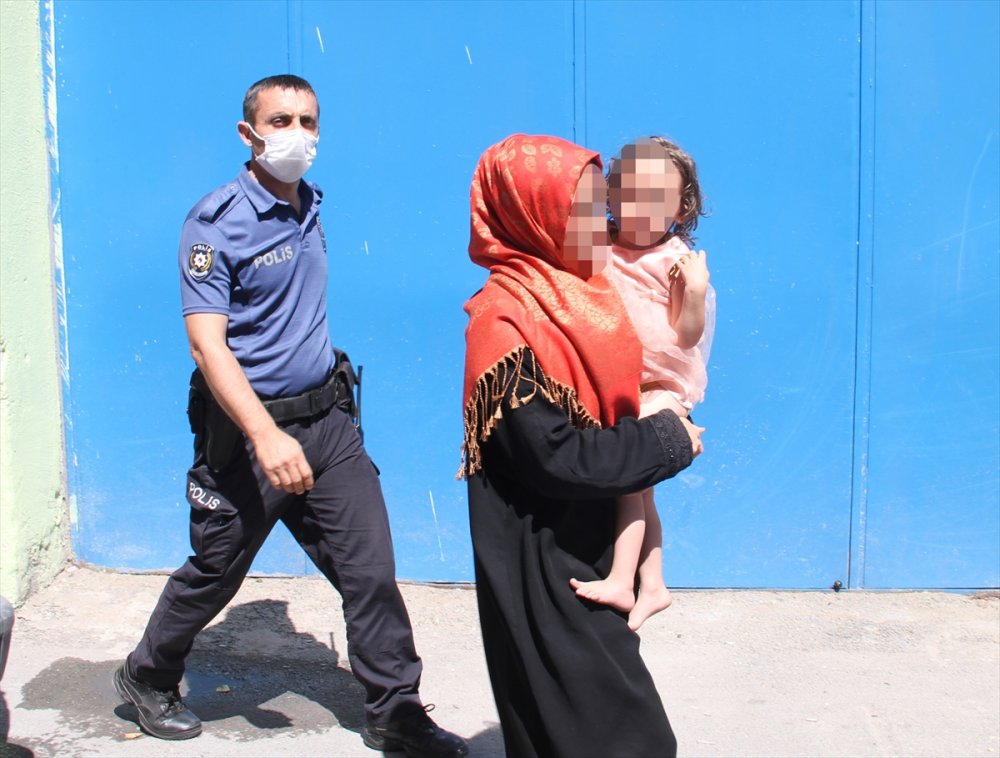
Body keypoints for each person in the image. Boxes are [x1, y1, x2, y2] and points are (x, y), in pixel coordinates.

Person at [113, 74, 468, 758]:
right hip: (249, 436)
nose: (298, 134)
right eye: (281, 120)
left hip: (329, 427)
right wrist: (264, 433)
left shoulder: (309, 202)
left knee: (369, 570)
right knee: (216, 569)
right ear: (248, 134)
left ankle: (395, 708)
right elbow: (206, 344)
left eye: (308, 120)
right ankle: (147, 675)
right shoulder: (214, 222)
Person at [460, 133, 704, 758]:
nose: (606, 221)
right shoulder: (508, 322)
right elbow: (559, 457)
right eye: (588, 209)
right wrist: (667, 439)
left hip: (587, 542)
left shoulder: (579, 293)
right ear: (536, 215)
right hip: (547, 565)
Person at [570, 136, 712, 631]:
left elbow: (687, 335)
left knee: (631, 481)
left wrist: (694, 292)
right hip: (616, 384)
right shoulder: (600, 243)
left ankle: (620, 579)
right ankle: (654, 586)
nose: (642, 208)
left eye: (659, 198)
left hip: (659, 385)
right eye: (630, 193)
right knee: (644, 492)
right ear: (611, 195)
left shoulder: (676, 260)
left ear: (681, 207)